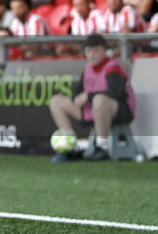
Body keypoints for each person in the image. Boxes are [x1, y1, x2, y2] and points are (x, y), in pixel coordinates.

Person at [48, 33, 135, 162]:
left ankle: (102, 147)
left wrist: (88, 96)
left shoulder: (113, 67)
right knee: (57, 101)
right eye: (89, 51)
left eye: (96, 50)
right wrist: (77, 98)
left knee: (99, 100)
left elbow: (116, 94)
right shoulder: (88, 68)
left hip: (120, 110)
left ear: (104, 50)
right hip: (93, 109)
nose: (92, 54)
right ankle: (68, 146)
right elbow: (77, 90)